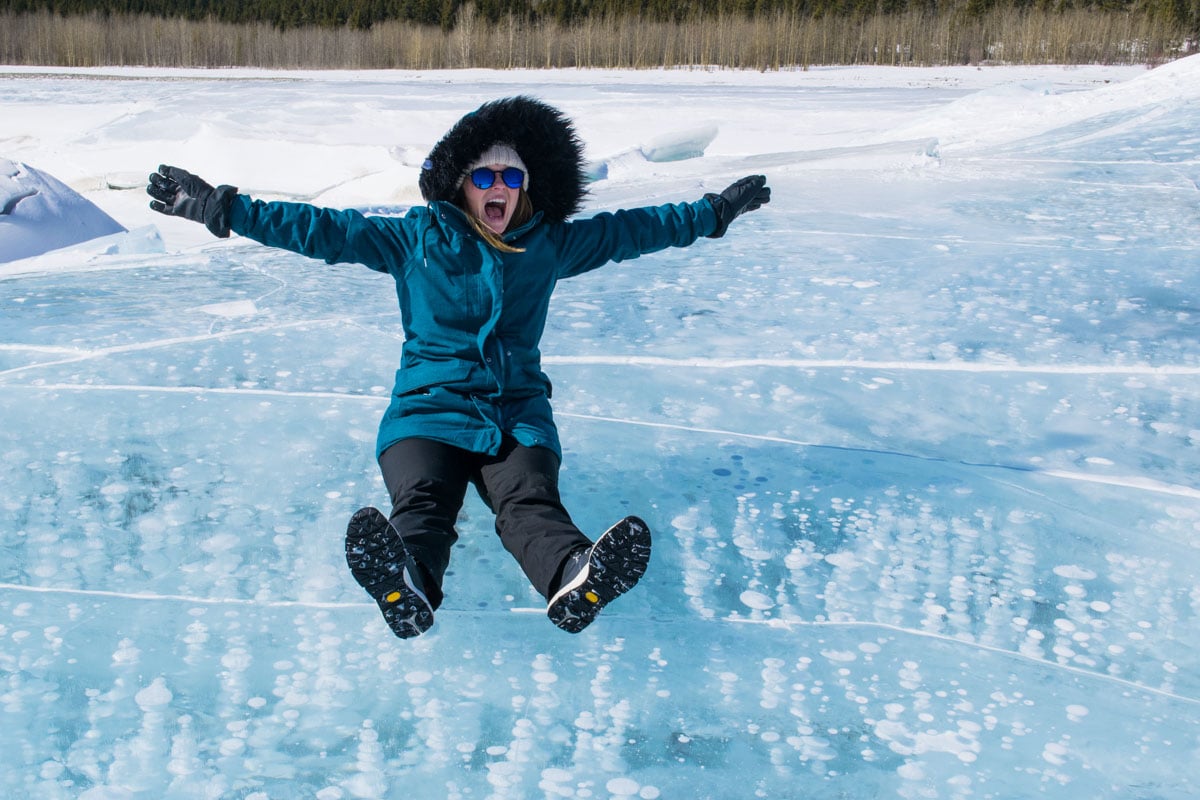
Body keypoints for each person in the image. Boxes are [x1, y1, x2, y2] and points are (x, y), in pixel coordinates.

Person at [146, 95, 770, 638]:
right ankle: (407, 584)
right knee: (423, 501)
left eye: (512, 177)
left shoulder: (549, 243)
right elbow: (321, 230)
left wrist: (711, 214)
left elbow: (634, 230)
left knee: (530, 501)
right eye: (486, 175)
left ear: (528, 187)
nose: (499, 187)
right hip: (427, 409)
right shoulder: (416, 237)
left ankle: (574, 576)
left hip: (515, 413)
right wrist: (223, 210)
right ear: (461, 183)